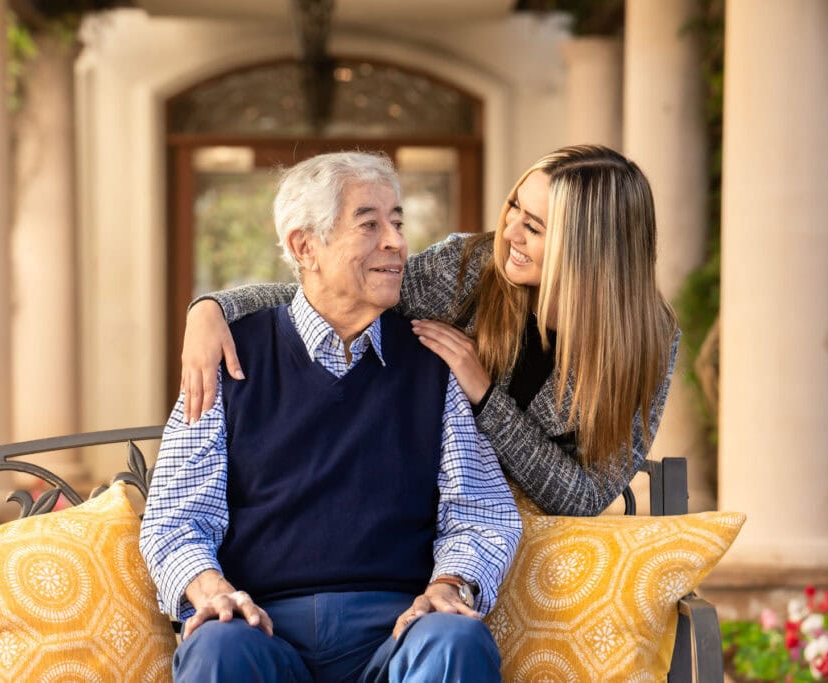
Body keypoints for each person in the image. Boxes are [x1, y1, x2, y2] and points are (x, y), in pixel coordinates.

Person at [140, 151, 521, 683]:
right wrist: (211, 590)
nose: (396, 242)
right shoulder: (226, 357)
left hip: (399, 631)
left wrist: (449, 585)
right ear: (305, 247)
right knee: (218, 648)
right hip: (262, 627)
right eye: (369, 224)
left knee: (456, 639)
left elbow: (480, 513)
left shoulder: (435, 362)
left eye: (397, 222)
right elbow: (176, 518)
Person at [179, 145, 680, 517]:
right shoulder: (470, 267)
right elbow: (342, 289)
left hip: (518, 537)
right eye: (514, 208)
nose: (509, 232)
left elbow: (586, 496)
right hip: (428, 519)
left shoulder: (648, 340)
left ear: (592, 248)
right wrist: (213, 308)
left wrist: (484, 394)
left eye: (534, 227)